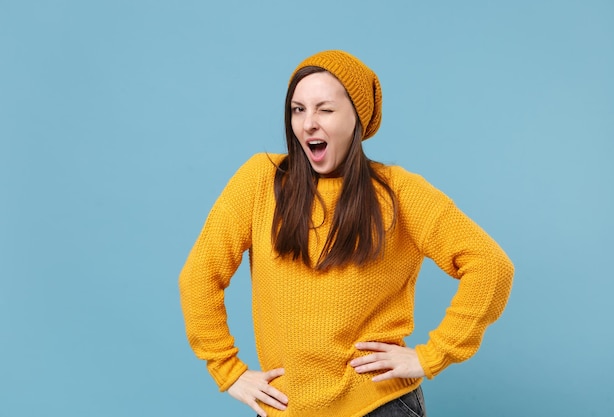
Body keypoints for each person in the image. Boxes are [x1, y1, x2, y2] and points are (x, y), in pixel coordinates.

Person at [179, 50, 514, 417]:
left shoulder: (398, 192)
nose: (308, 123)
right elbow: (200, 276)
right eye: (298, 109)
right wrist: (227, 370)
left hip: (379, 405)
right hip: (286, 408)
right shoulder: (261, 181)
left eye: (325, 109)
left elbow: (491, 266)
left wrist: (433, 355)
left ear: (357, 116)